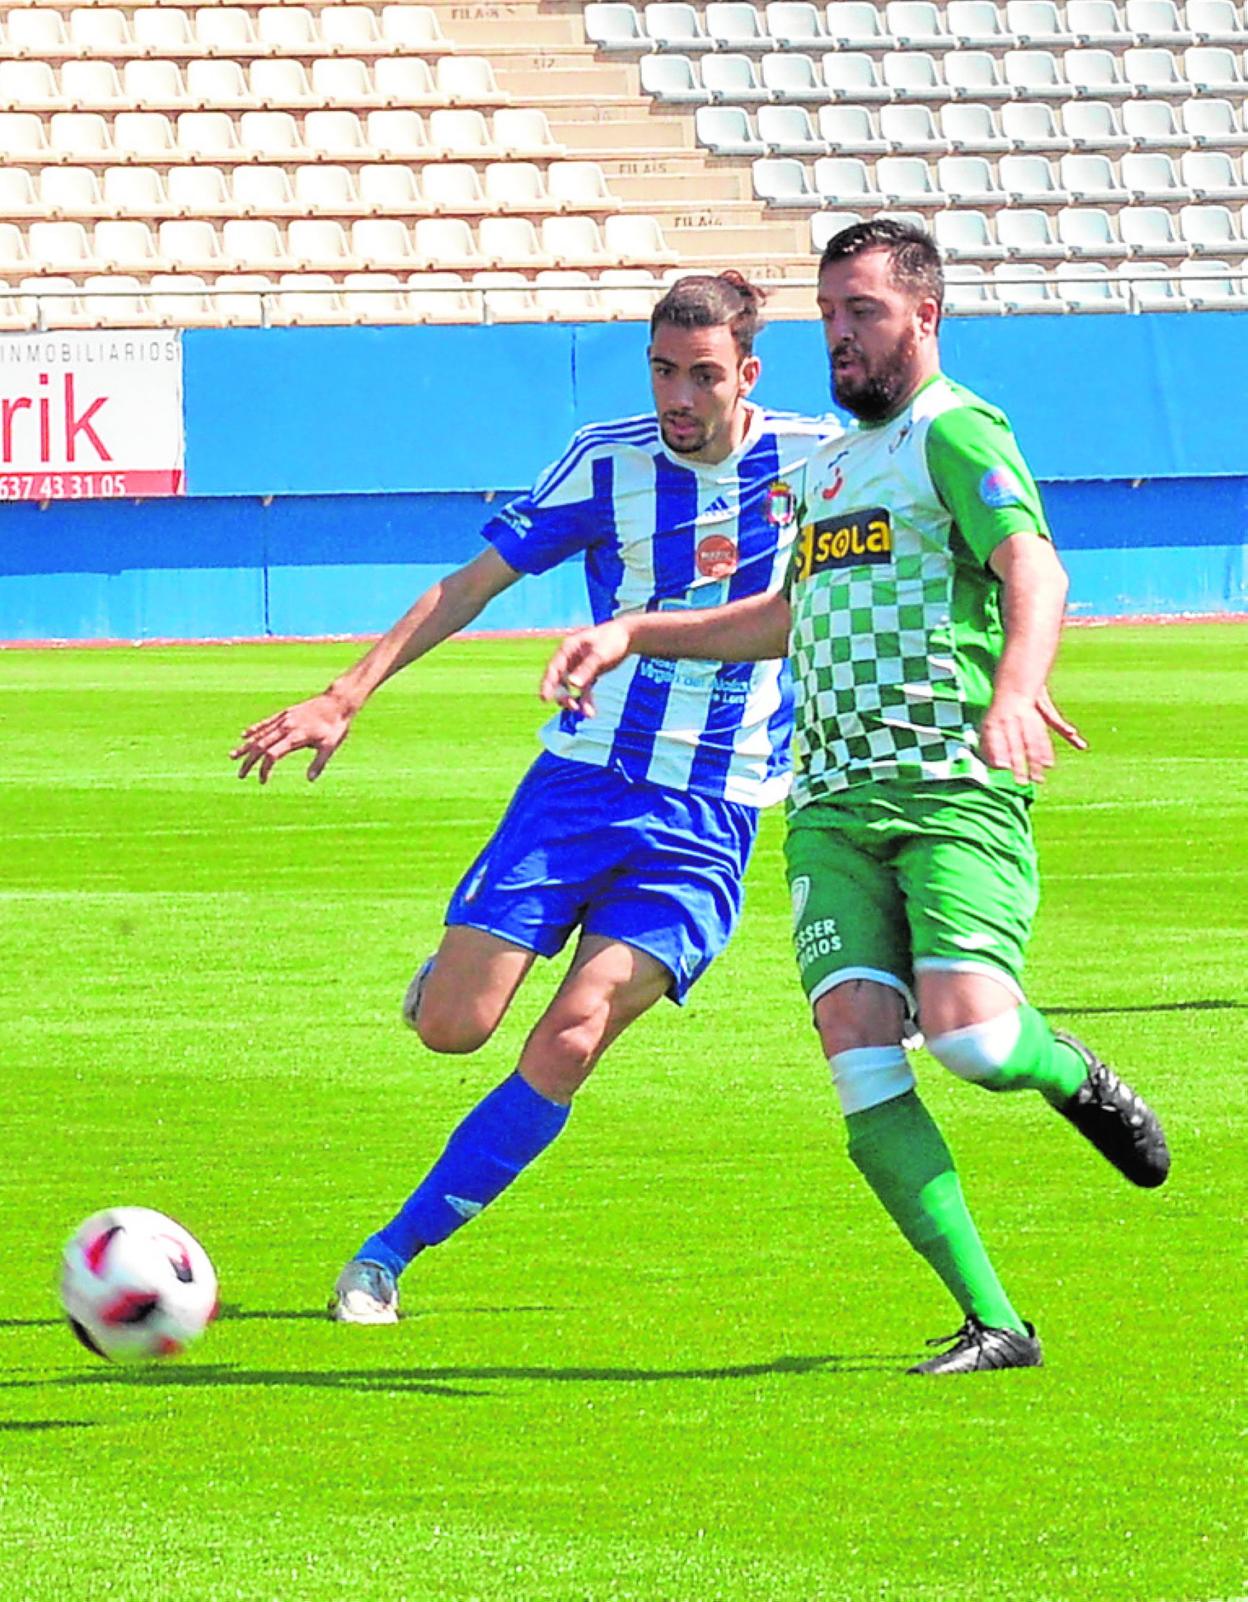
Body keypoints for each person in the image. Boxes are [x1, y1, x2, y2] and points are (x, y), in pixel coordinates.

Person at [541, 220, 1170, 1375]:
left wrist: (1019, 687)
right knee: (858, 1046)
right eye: (830, 311)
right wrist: (635, 630)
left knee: (976, 1040)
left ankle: (1073, 1073)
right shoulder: (827, 468)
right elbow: (785, 617)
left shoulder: (955, 431)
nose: (842, 332)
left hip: (943, 788)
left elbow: (1033, 562)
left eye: (864, 311)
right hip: (825, 801)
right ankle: (997, 1323)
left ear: (923, 318)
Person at [231, 272, 843, 1324]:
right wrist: (346, 694)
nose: (679, 397)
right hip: (581, 786)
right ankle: (452, 976)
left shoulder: (820, 461)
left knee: (572, 1034)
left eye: (704, 375)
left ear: (748, 372)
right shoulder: (609, 461)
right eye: (663, 370)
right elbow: (472, 586)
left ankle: (385, 1256)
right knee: (456, 1029)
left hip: (713, 812)